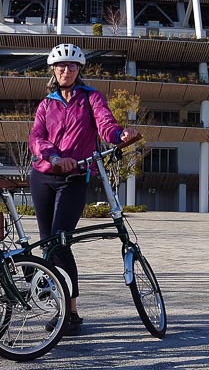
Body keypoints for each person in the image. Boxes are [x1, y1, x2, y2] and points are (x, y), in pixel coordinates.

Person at [29, 43, 139, 336]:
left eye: (72, 66)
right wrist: (54, 156)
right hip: (43, 176)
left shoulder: (90, 98)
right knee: (46, 243)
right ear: (53, 70)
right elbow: (36, 138)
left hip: (75, 176)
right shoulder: (46, 104)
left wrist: (119, 136)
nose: (66, 70)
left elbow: (105, 125)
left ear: (79, 70)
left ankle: (71, 313)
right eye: (61, 66)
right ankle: (57, 305)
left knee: (60, 241)